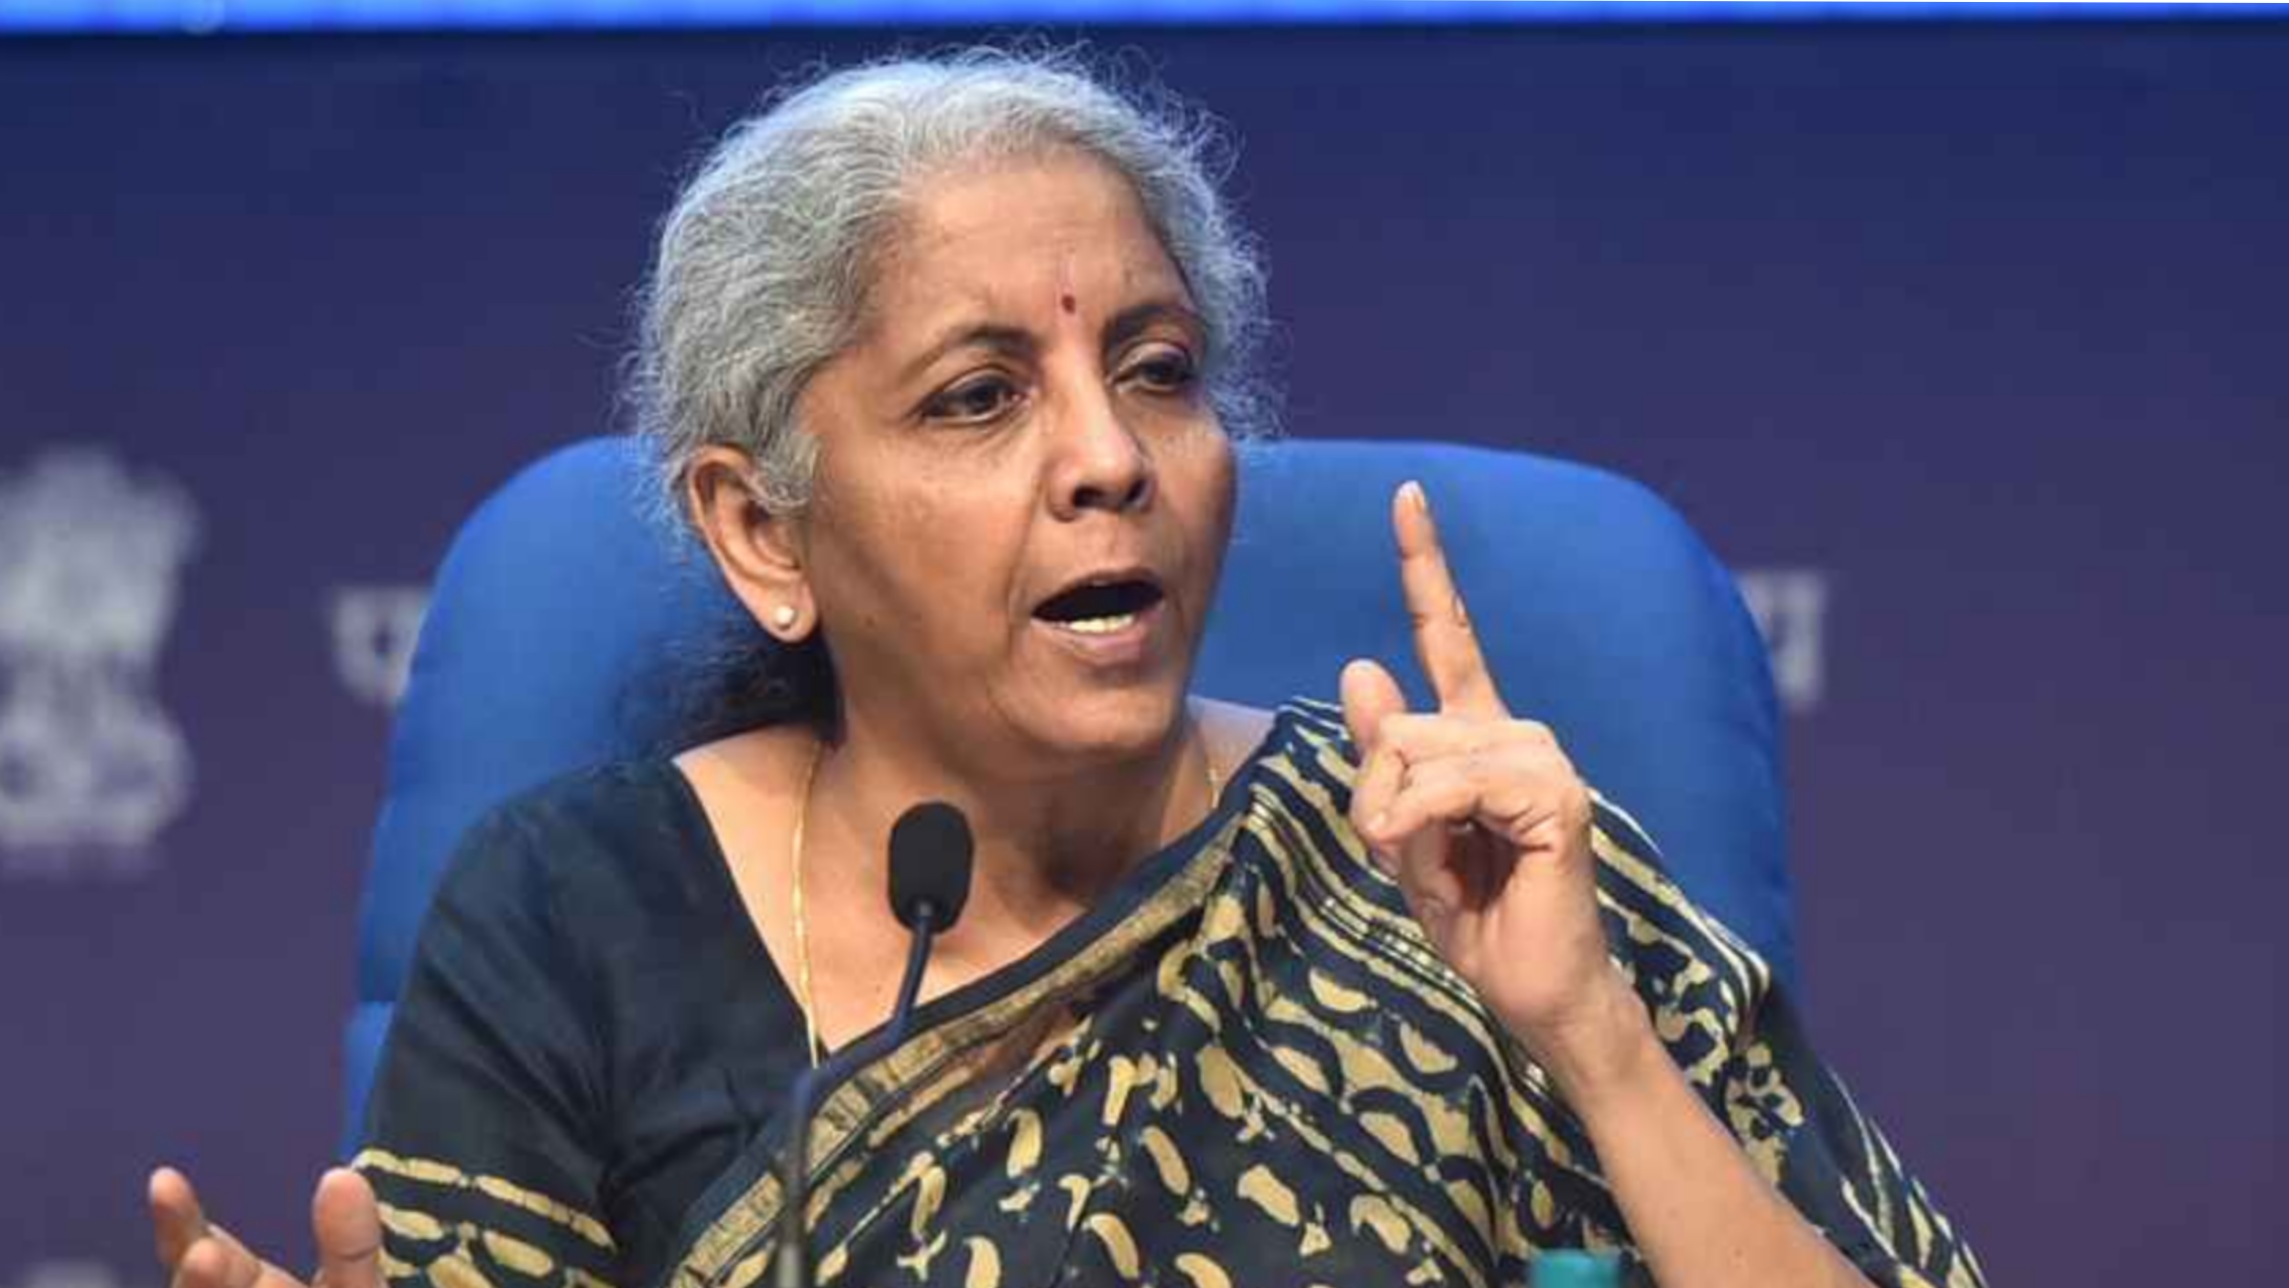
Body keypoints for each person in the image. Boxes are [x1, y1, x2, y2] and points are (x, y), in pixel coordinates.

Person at [148, 51, 1983, 1288]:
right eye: (978, 397)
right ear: (763, 531)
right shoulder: (574, 922)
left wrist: (1590, 1037)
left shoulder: (1462, 864)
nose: (1109, 458)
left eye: (1160, 372)